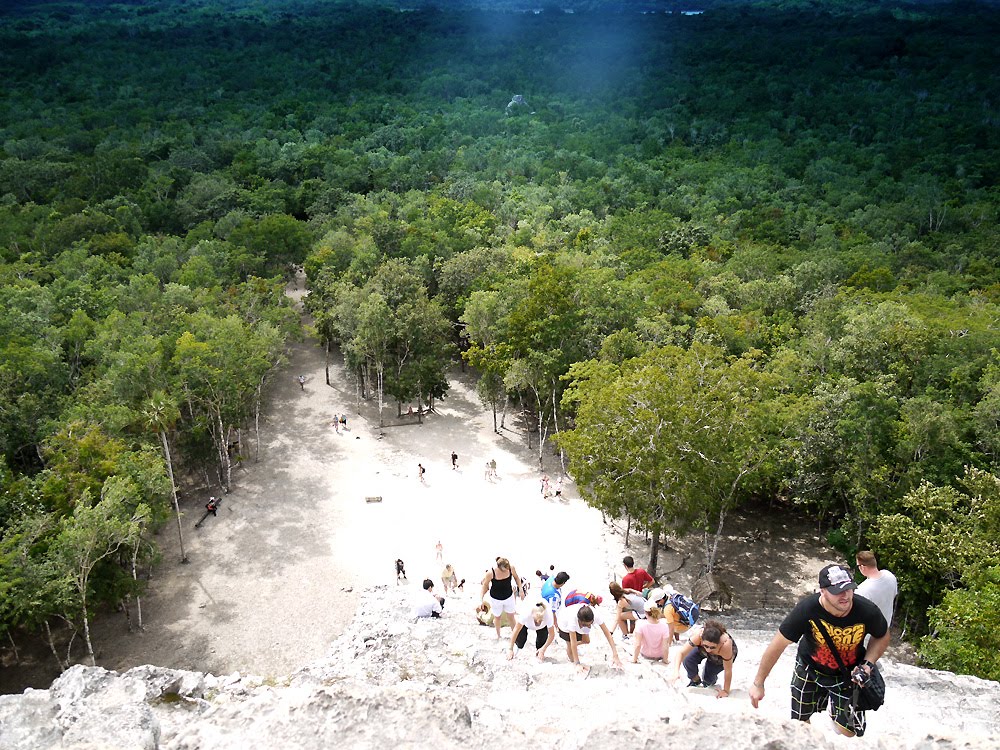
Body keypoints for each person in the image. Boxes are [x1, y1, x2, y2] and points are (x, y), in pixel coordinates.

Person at [749, 564, 890, 738]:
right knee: (800, 723)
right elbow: (777, 645)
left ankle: (833, 709)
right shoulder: (807, 610)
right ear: (822, 591)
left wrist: (868, 664)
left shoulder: (866, 610)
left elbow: (882, 635)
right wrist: (758, 683)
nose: (845, 595)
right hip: (810, 668)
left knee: (848, 732)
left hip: (847, 673)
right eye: (838, 591)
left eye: (849, 589)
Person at [671, 619, 738, 698]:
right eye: (706, 646)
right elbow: (681, 653)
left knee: (708, 677)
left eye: (712, 647)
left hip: (720, 657)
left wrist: (726, 690)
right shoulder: (698, 636)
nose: (709, 650)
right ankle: (695, 680)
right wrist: (676, 672)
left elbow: (728, 670)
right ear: (701, 640)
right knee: (688, 660)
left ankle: (708, 681)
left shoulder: (725, 645)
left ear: (719, 643)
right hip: (701, 649)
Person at [556, 601, 623, 674]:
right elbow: (573, 640)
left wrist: (615, 654)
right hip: (564, 624)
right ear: (579, 621)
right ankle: (573, 661)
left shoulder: (596, 615)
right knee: (571, 644)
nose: (589, 627)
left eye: (590, 624)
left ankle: (572, 648)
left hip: (580, 621)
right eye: (586, 625)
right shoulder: (572, 620)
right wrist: (577, 663)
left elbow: (607, 633)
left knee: (586, 640)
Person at [481, 557, 523, 640]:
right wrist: (481, 600)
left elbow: (517, 578)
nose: (507, 570)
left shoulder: (511, 568)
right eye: (505, 569)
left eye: (508, 568)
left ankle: (515, 635)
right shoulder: (491, 573)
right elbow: (485, 586)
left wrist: (521, 590)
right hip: (496, 598)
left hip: (509, 596)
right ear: (499, 567)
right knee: (497, 617)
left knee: (511, 616)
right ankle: (498, 635)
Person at [855, 550, 898, 630]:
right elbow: (894, 595)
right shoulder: (890, 576)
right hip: (885, 627)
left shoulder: (861, 590)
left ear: (862, 567)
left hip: (868, 635)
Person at [632, 600, 671, 664]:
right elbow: (665, 646)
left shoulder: (640, 624)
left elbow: (638, 644)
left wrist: (634, 659)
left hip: (645, 654)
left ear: (645, 612)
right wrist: (665, 660)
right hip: (659, 655)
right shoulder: (664, 625)